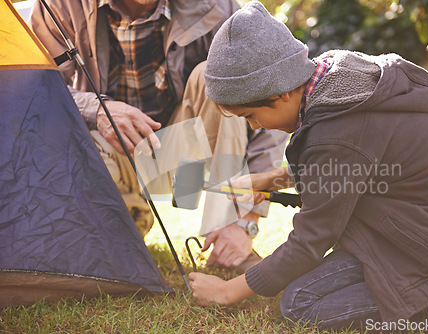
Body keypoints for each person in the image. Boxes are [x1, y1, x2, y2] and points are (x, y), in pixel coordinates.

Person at [188, 1, 428, 330]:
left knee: (303, 307)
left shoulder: (338, 132)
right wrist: (271, 179)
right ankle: (426, 285)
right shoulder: (331, 83)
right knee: (299, 296)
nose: (254, 126)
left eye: (250, 115)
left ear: (279, 93)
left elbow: (310, 241)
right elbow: (351, 165)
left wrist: (225, 291)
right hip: (411, 217)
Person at [28, 0, 288, 270]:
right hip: (110, 155)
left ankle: (228, 234)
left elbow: (268, 100)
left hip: (185, 167)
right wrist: (97, 110)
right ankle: (128, 216)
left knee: (215, 79)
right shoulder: (60, 5)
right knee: (105, 252)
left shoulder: (217, 6)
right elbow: (35, 84)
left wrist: (247, 222)